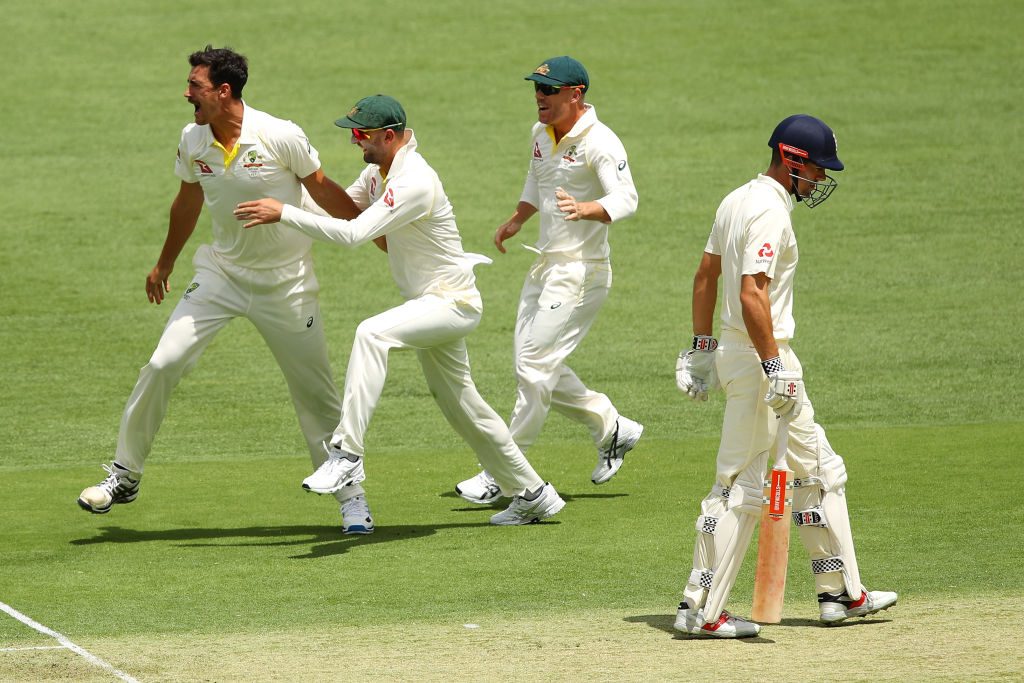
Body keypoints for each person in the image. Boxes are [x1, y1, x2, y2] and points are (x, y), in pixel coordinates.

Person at [76, 46, 376, 535]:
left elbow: (321, 188)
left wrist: (369, 228)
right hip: (221, 276)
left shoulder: (280, 134)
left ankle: (352, 499)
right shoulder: (193, 139)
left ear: (223, 91)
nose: (186, 93)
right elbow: (188, 201)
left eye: (195, 86)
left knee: (316, 396)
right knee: (162, 362)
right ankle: (124, 475)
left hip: (287, 284)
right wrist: (164, 263)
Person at [234, 95, 565, 526]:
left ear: (388, 136)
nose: (356, 143)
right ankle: (534, 493)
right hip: (428, 303)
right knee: (463, 406)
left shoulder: (414, 181)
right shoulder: (378, 172)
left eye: (362, 135)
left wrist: (283, 214)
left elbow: (354, 233)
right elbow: (333, 206)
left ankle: (347, 453)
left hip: (453, 302)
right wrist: (279, 191)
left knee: (372, 333)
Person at [672, 114, 898, 638]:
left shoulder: (735, 199)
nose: (820, 180)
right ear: (793, 161)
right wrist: (774, 367)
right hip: (761, 362)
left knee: (818, 469)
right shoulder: (769, 212)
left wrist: (703, 348)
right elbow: (752, 291)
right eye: (817, 170)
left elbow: (707, 275)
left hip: (749, 355)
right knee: (740, 484)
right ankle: (699, 610)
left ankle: (840, 592)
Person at [455, 56, 642, 506]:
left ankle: (504, 470)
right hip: (545, 266)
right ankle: (611, 427)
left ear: (575, 93)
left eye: (549, 90)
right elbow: (536, 180)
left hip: (581, 271)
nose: (539, 97)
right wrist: (518, 218)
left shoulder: (600, 141)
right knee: (535, 366)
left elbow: (627, 198)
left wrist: (587, 209)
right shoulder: (542, 135)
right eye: (537, 89)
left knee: (534, 367)